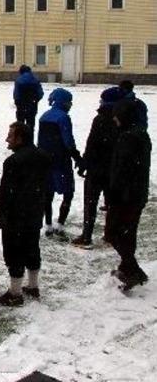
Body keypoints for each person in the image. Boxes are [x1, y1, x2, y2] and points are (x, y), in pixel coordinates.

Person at [0, 122, 51, 307]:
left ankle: (15, 293)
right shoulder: (43, 156)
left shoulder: (13, 162)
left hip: (15, 214)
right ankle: (33, 285)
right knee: (32, 248)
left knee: (14, 252)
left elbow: (6, 191)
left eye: (11, 135)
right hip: (34, 212)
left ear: (20, 138)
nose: (7, 139)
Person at [106, 99, 151, 291]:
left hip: (125, 196)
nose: (114, 118)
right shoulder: (140, 134)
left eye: (117, 114)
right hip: (136, 193)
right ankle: (127, 267)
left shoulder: (128, 138)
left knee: (115, 233)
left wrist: (114, 194)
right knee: (127, 232)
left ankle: (133, 271)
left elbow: (122, 170)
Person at [72, 87, 124, 248]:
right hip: (113, 169)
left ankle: (87, 236)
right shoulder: (123, 120)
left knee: (90, 203)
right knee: (113, 203)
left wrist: (84, 164)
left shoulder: (100, 119)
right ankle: (111, 234)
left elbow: (91, 144)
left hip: (96, 168)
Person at [38, 88, 82, 239]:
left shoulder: (44, 116)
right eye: (69, 101)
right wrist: (76, 156)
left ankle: (48, 224)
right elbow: (68, 139)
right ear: (64, 102)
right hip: (61, 160)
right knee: (68, 192)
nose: (70, 105)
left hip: (45, 161)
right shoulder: (63, 117)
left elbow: (40, 141)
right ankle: (60, 224)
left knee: (48, 194)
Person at [13, 65, 44, 131]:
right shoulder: (35, 80)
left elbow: (16, 94)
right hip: (32, 106)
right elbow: (40, 93)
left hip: (21, 106)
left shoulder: (19, 80)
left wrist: (17, 102)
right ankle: (30, 140)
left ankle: (21, 140)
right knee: (30, 125)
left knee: (20, 126)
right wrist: (36, 100)